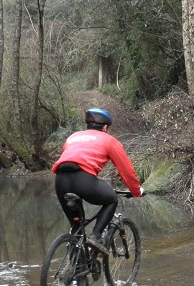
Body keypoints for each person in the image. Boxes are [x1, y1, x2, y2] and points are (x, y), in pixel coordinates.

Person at [52, 108, 144, 255]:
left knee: (76, 228)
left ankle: (76, 271)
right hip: (84, 180)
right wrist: (137, 191)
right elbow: (126, 170)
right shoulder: (109, 140)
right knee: (111, 199)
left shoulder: (73, 137)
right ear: (105, 127)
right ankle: (96, 236)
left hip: (60, 180)